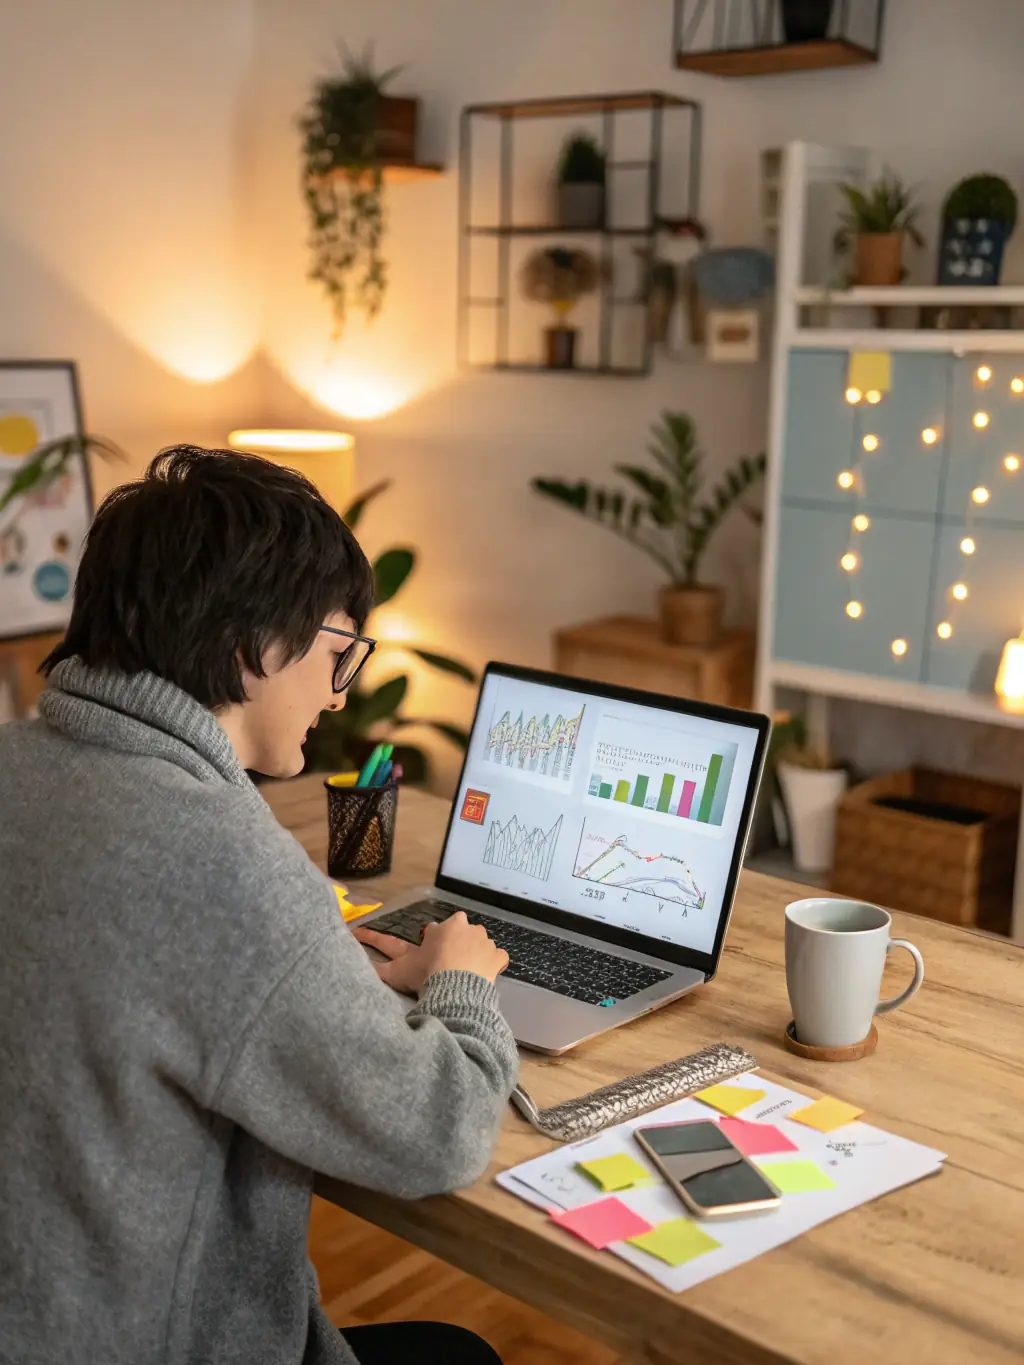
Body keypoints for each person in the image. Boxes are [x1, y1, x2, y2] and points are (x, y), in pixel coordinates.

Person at [0, 446, 517, 1365]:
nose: (338, 688)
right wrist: (463, 987)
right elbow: (438, 1132)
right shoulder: (224, 863)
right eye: (337, 651)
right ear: (254, 645)